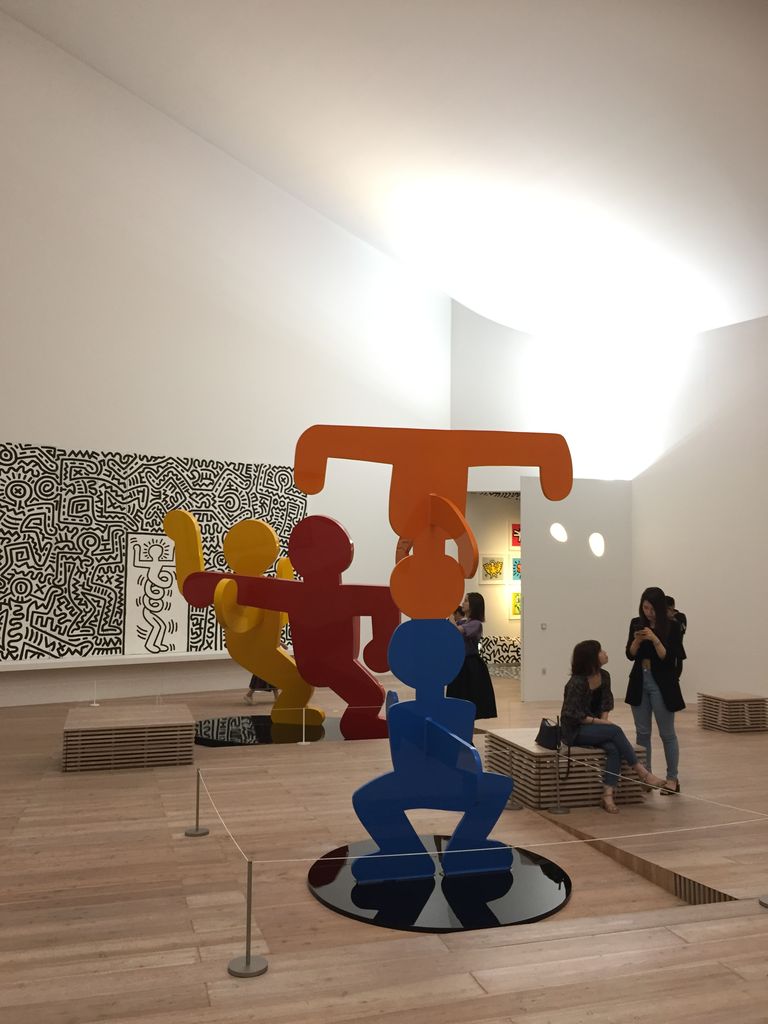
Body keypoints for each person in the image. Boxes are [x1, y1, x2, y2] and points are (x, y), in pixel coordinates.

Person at [561, 640, 665, 813]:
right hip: (575, 730)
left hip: (595, 728)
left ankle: (607, 794)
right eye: (601, 651)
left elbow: (606, 703)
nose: (605, 653)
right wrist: (602, 724)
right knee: (615, 730)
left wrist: (603, 723)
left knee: (614, 748)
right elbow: (572, 715)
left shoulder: (604, 676)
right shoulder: (576, 682)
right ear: (591, 658)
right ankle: (643, 773)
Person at [626, 586, 685, 795]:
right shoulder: (636, 623)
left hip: (662, 682)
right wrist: (638, 639)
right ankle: (646, 776)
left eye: (652, 608)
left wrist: (654, 638)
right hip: (640, 680)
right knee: (642, 733)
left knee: (667, 733)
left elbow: (669, 658)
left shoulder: (672, 626)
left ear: (660, 608)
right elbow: (630, 654)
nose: (648, 612)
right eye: (645, 608)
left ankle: (672, 778)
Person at [446, 592, 498, 720]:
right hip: (459, 664)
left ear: (473, 605)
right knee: (457, 697)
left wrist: (450, 615)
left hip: (470, 666)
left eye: (466, 601)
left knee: (469, 697)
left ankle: (468, 727)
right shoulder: (463, 621)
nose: (463, 603)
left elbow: (457, 631)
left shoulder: (476, 624)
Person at [666, 595, 687, 679]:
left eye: (669, 608)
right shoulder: (660, 618)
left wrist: (672, 618)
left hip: (676, 653)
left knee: (674, 679)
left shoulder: (680, 616)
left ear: (673, 607)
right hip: (664, 652)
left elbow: (682, 630)